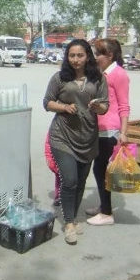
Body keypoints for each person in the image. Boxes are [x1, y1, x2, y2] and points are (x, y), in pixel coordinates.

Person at [43, 39, 108, 245]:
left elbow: (105, 105)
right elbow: (47, 102)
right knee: (69, 180)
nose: (76, 60)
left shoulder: (98, 78)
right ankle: (69, 223)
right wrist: (63, 107)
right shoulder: (60, 78)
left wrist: (98, 107)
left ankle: (73, 215)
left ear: (87, 56)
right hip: (62, 136)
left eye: (80, 55)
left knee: (80, 181)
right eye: (72, 55)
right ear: (67, 57)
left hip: (88, 138)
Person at [86, 38, 130, 226]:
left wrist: (124, 132)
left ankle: (106, 213)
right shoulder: (102, 73)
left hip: (110, 130)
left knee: (100, 169)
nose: (96, 57)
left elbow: (124, 105)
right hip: (99, 128)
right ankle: (104, 205)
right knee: (99, 169)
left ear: (110, 55)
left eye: (99, 54)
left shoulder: (118, 74)